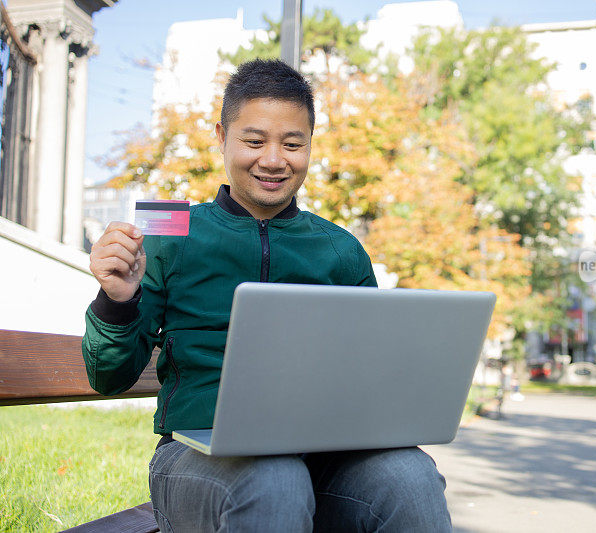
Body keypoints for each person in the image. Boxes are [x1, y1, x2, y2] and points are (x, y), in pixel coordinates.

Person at [83, 59, 451, 532]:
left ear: (311, 145)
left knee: (410, 475)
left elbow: (369, 379)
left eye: (293, 143)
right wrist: (116, 299)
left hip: (324, 459)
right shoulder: (169, 232)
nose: (274, 160)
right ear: (221, 137)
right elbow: (108, 378)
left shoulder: (341, 249)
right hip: (197, 458)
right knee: (274, 477)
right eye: (254, 141)